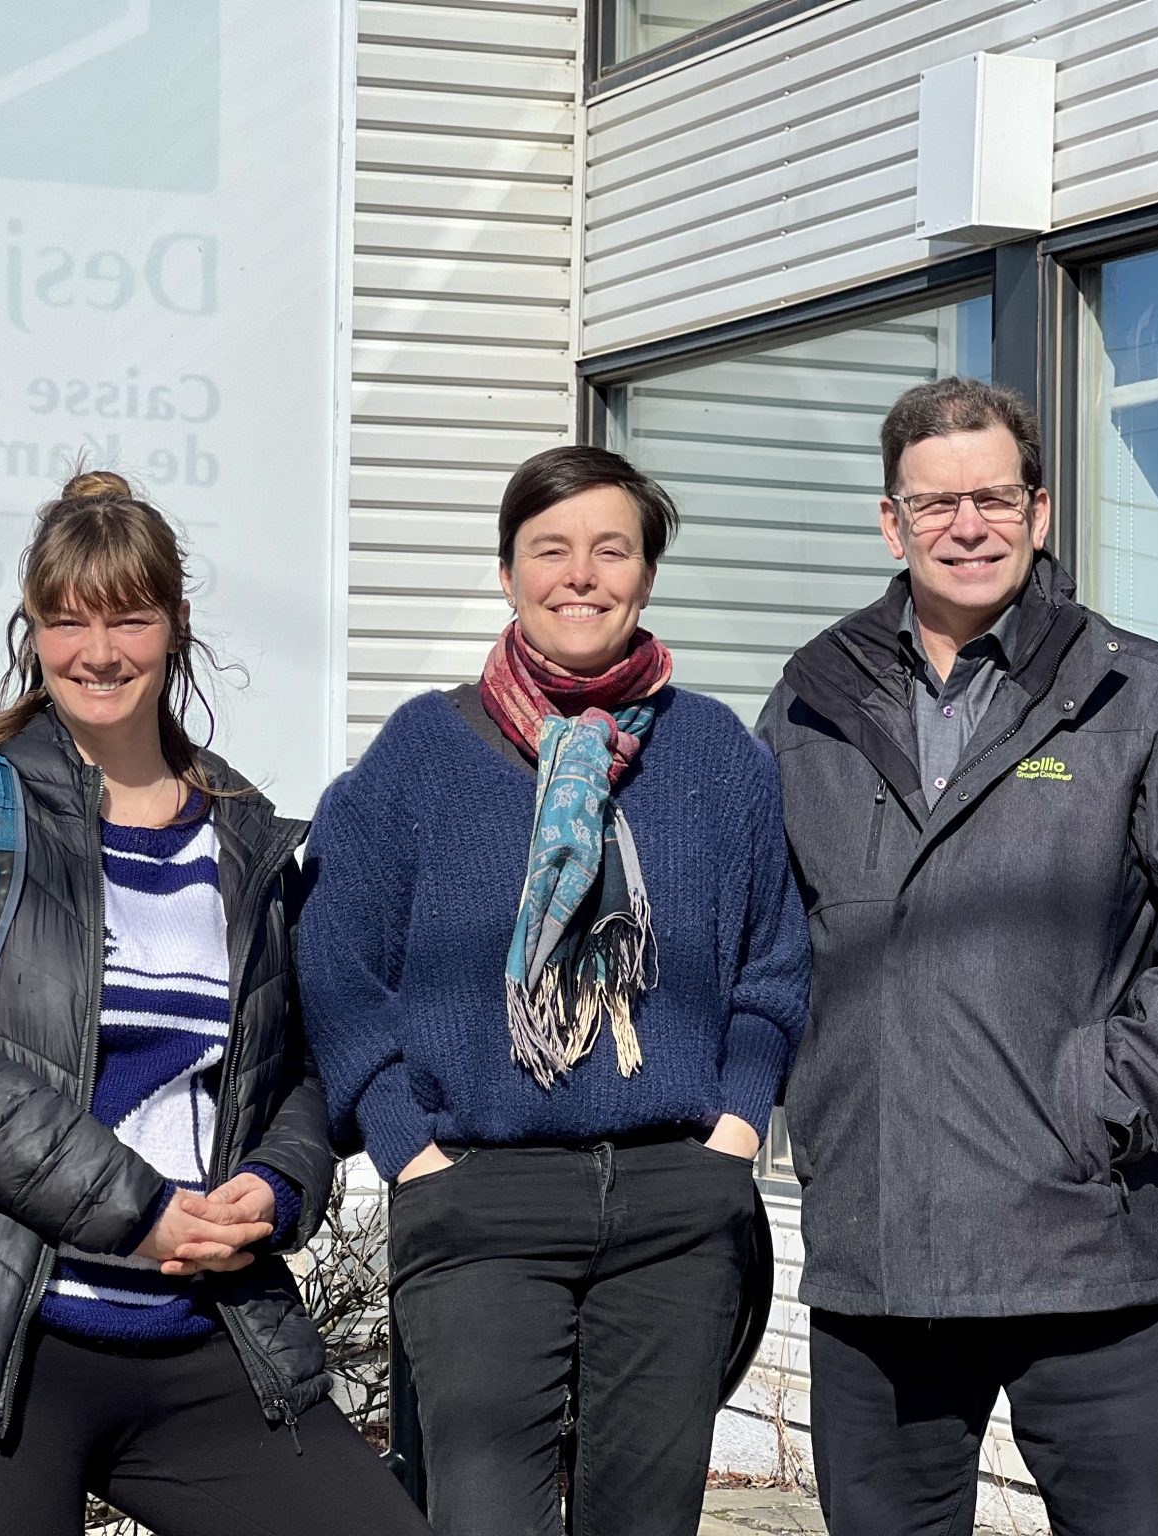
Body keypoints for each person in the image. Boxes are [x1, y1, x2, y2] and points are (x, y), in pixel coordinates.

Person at [0, 471, 430, 1536]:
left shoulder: (242, 835)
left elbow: (294, 1066)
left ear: (176, 624)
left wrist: (277, 1186)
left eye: (128, 618)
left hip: (203, 1335)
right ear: (33, 630)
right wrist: (134, 1211)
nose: (98, 652)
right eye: (67, 621)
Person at [756, 377, 1158, 1536]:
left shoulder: (1140, 694)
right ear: (891, 522)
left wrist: (1101, 1097)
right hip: (878, 1247)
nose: (967, 527)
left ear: (1038, 512)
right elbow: (762, 936)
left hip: (1086, 1246)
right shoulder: (809, 705)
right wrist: (816, 1104)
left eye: (994, 498)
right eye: (934, 503)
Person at [298, 445, 809, 1536]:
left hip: (677, 1199)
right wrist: (406, 1147)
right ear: (507, 574)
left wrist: (733, 1132)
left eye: (610, 551)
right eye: (550, 550)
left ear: (646, 575)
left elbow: (773, 960)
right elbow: (335, 959)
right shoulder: (423, 753)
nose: (581, 575)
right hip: (478, 1199)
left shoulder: (717, 754)